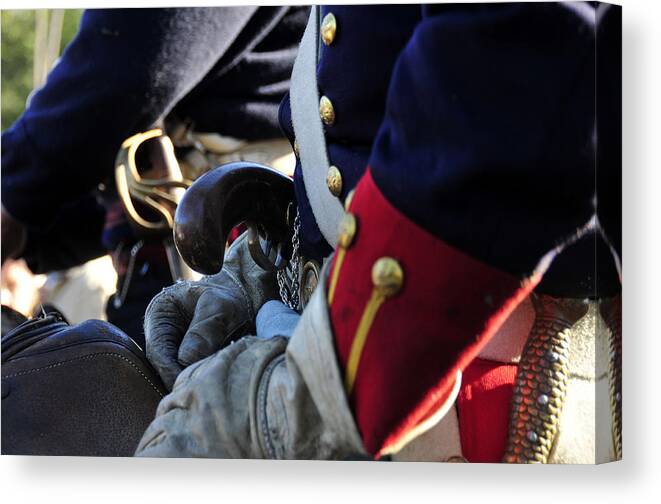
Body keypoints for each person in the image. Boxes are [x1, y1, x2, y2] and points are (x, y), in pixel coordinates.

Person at [117, 3, 624, 462]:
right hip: (358, 324)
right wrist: (267, 267)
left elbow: (522, 65)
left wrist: (317, 394)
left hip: (452, 384)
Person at [1, 6, 307, 344]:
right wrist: (29, 235)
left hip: (244, 262)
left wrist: (11, 191)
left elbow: (128, 70)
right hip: (178, 266)